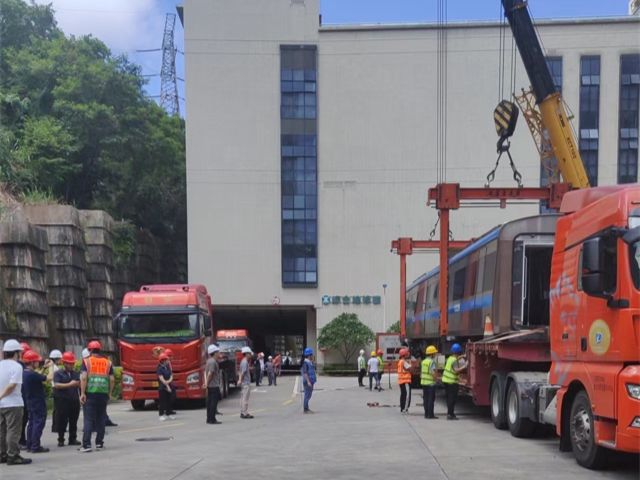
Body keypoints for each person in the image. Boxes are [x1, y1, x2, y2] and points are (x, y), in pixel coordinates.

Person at [80, 340, 115, 452]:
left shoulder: (86, 361)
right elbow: (112, 379)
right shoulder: (108, 362)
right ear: (100, 350)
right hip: (103, 394)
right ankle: (99, 443)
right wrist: (109, 393)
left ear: (90, 350)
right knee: (100, 419)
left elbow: (84, 378)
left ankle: (86, 445)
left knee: (89, 419)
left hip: (90, 393)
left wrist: (82, 393)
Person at [0, 339, 31, 465]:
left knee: (2, 431)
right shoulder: (17, 366)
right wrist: (2, 395)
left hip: (1, 404)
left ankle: (2, 454)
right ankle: (13, 455)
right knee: (13, 430)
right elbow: (13, 385)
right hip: (13, 403)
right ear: (16, 353)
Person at [22, 349, 54, 453]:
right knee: (38, 423)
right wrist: (52, 367)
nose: (38, 363)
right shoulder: (32, 375)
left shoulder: (26, 373)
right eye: (36, 361)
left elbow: (38, 377)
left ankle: (30, 445)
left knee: (31, 423)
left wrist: (44, 368)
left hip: (30, 402)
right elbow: (50, 378)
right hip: (38, 403)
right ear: (32, 362)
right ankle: (35, 445)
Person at [53, 352, 81, 446]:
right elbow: (56, 385)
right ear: (64, 363)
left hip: (74, 399)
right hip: (62, 400)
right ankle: (61, 438)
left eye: (73, 363)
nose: (72, 366)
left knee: (74, 420)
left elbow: (79, 385)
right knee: (62, 420)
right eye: (70, 364)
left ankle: (73, 438)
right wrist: (70, 384)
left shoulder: (75, 373)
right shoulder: (58, 373)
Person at [442, 343, 467, 421]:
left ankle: (450, 413)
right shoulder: (455, 361)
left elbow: (456, 359)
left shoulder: (450, 358)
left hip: (446, 381)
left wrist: (462, 357)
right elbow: (456, 371)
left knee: (449, 398)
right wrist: (465, 366)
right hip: (452, 382)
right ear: (459, 351)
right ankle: (450, 414)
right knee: (452, 399)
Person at [203, 345, 222, 425]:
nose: (219, 353)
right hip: (213, 385)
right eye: (218, 352)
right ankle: (212, 419)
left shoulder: (208, 361)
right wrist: (206, 383)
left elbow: (205, 373)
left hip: (211, 385)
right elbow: (210, 373)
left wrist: (205, 382)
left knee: (210, 402)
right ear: (214, 353)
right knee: (213, 403)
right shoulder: (213, 362)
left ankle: (209, 418)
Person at [17, 342, 30, 451]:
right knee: (22, 420)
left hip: (24, 394)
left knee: (24, 419)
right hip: (21, 395)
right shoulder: (19, 365)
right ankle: (21, 441)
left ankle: (23, 440)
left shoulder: (23, 364)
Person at [421, 346, 439, 419]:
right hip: (431, 383)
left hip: (424, 383)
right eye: (434, 353)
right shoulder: (432, 362)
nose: (435, 354)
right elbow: (433, 373)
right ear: (431, 354)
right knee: (431, 400)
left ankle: (426, 414)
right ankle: (430, 415)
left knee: (426, 399)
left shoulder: (423, 361)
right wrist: (436, 379)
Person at [237, 347, 254, 419]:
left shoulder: (242, 361)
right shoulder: (245, 362)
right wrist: (241, 380)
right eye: (249, 353)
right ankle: (244, 413)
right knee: (245, 398)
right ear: (246, 354)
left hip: (244, 382)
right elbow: (243, 373)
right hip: (245, 383)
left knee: (243, 398)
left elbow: (240, 372)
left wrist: (240, 380)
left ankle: (242, 412)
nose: (250, 355)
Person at [49, 349, 62, 433]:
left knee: (56, 409)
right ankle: (57, 426)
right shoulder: (55, 368)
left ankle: (55, 426)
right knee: (58, 409)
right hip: (57, 389)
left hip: (55, 389)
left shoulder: (53, 366)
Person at [156, 354, 173, 421]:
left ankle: (168, 414)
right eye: (166, 359)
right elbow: (162, 379)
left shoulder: (167, 367)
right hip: (162, 387)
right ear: (162, 361)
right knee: (163, 402)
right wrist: (167, 386)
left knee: (169, 401)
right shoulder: (160, 369)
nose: (168, 360)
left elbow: (171, 375)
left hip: (169, 385)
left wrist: (169, 381)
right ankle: (161, 414)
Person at [300, 348, 316, 414]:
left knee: (309, 395)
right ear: (309, 355)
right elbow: (305, 373)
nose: (312, 356)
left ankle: (306, 408)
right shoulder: (305, 363)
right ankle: (306, 409)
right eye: (311, 355)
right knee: (307, 395)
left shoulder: (309, 362)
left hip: (310, 381)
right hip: (307, 382)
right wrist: (308, 381)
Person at [397, 348, 412, 414]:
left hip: (401, 381)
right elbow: (410, 367)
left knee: (403, 395)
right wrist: (409, 361)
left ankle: (402, 408)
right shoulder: (403, 361)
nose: (407, 355)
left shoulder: (400, 361)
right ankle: (405, 409)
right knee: (407, 395)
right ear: (404, 355)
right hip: (405, 380)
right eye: (406, 354)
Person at [164, 348, 177, 417]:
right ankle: (166, 409)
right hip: (167, 382)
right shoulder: (166, 364)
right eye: (171, 356)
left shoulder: (168, 363)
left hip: (170, 382)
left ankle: (169, 409)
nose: (172, 357)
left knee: (171, 396)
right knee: (170, 396)